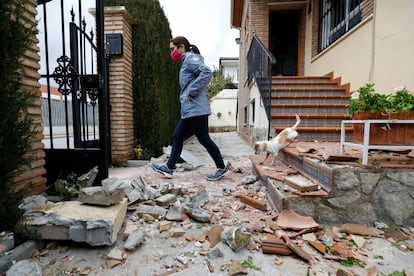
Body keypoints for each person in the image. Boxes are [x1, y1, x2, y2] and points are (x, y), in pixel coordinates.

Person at [151, 36, 228, 181]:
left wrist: (191, 91)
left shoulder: (191, 58)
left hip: (196, 109)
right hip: (190, 110)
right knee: (177, 136)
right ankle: (169, 168)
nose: (171, 53)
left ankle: (221, 167)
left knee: (204, 139)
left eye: (173, 49)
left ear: (181, 47)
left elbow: (207, 72)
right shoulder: (186, 60)